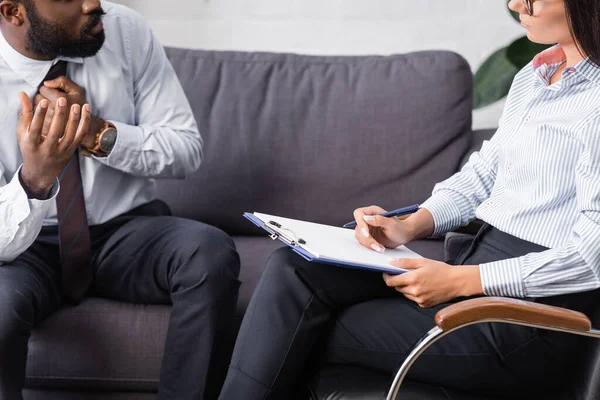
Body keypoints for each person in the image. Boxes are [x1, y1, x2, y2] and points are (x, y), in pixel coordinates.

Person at [218, 0, 600, 398]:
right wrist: (408, 225)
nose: (515, 3)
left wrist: (460, 280)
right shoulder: (535, 75)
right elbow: (484, 174)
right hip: (476, 273)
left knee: (299, 323)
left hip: (527, 322)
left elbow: (591, 260)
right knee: (293, 267)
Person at [0, 1, 240, 399]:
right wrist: (35, 179)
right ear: (13, 12)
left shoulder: (125, 29)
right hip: (27, 247)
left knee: (208, 253)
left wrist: (97, 134)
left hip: (125, 232)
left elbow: (185, 148)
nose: (93, 4)